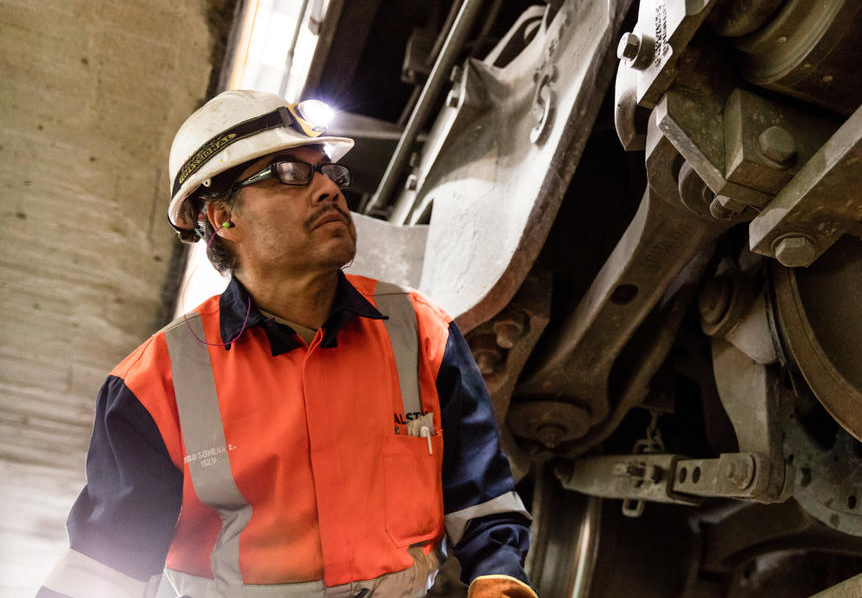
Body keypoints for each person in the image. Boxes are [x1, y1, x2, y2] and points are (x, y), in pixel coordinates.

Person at [38, 90, 537, 598]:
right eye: (289, 174)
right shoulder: (152, 386)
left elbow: (482, 500)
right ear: (222, 219)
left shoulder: (421, 330)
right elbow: (105, 571)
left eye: (326, 172)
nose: (329, 190)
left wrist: (498, 576)